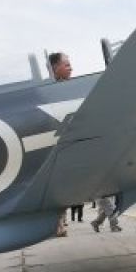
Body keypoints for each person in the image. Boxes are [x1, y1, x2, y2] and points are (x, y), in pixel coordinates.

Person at [50, 51, 74, 236]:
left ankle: (61, 224)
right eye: (67, 65)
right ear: (55, 68)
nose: (71, 68)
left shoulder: (67, 87)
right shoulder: (53, 91)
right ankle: (57, 225)